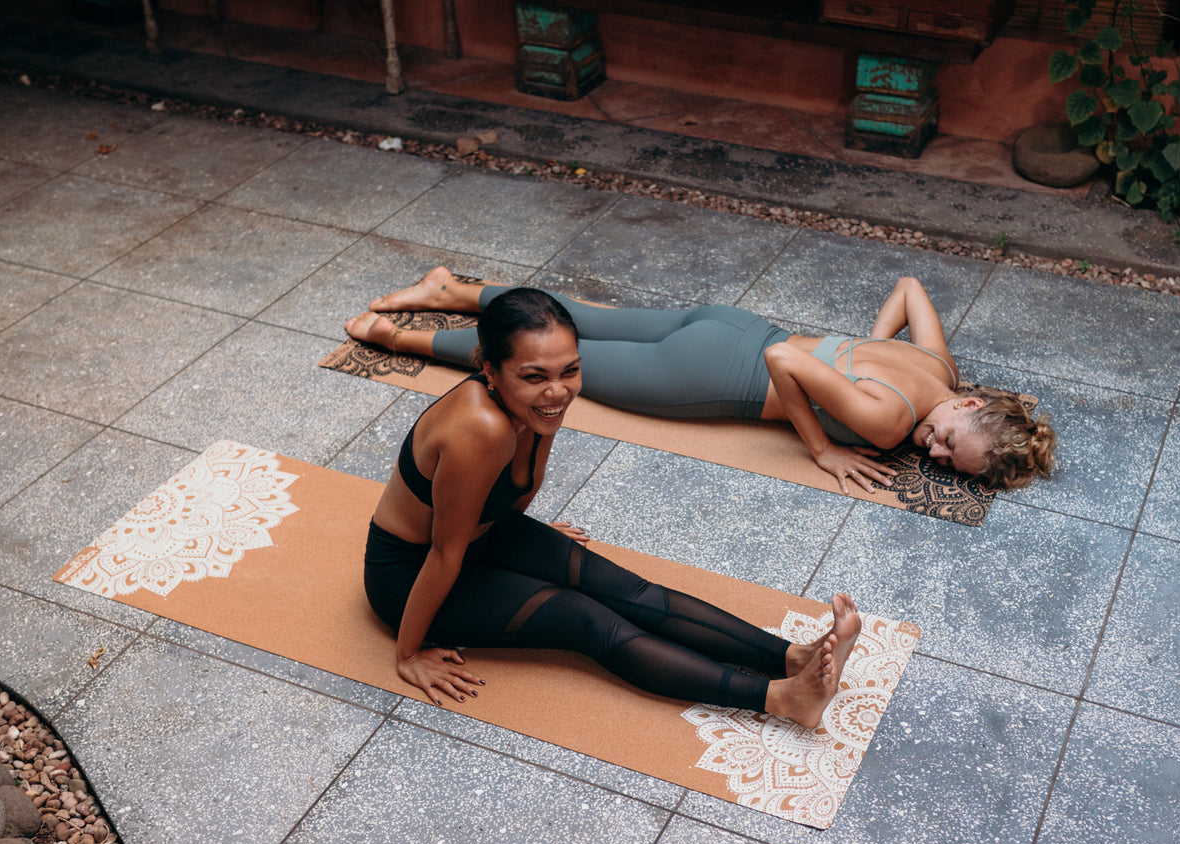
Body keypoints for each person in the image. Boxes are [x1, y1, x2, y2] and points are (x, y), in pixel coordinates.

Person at [363, 286, 861, 727]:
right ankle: (781, 698)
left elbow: (511, 492)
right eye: (534, 376)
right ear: (489, 369)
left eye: (570, 371)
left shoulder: (535, 408)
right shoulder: (482, 427)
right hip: (407, 577)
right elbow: (445, 552)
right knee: (586, 618)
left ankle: (792, 657)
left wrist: (516, 532)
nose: (557, 391)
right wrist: (408, 652)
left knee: (631, 591)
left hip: (482, 534)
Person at [345, 268, 1056, 491]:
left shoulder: (938, 367)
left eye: (942, 462)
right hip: (713, 371)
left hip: (733, 323)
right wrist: (822, 447)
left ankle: (452, 288)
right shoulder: (889, 421)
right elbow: (784, 369)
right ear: (968, 406)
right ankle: (392, 334)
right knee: (558, 369)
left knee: (578, 316)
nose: (929, 453)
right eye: (948, 443)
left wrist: (868, 344)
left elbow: (907, 288)